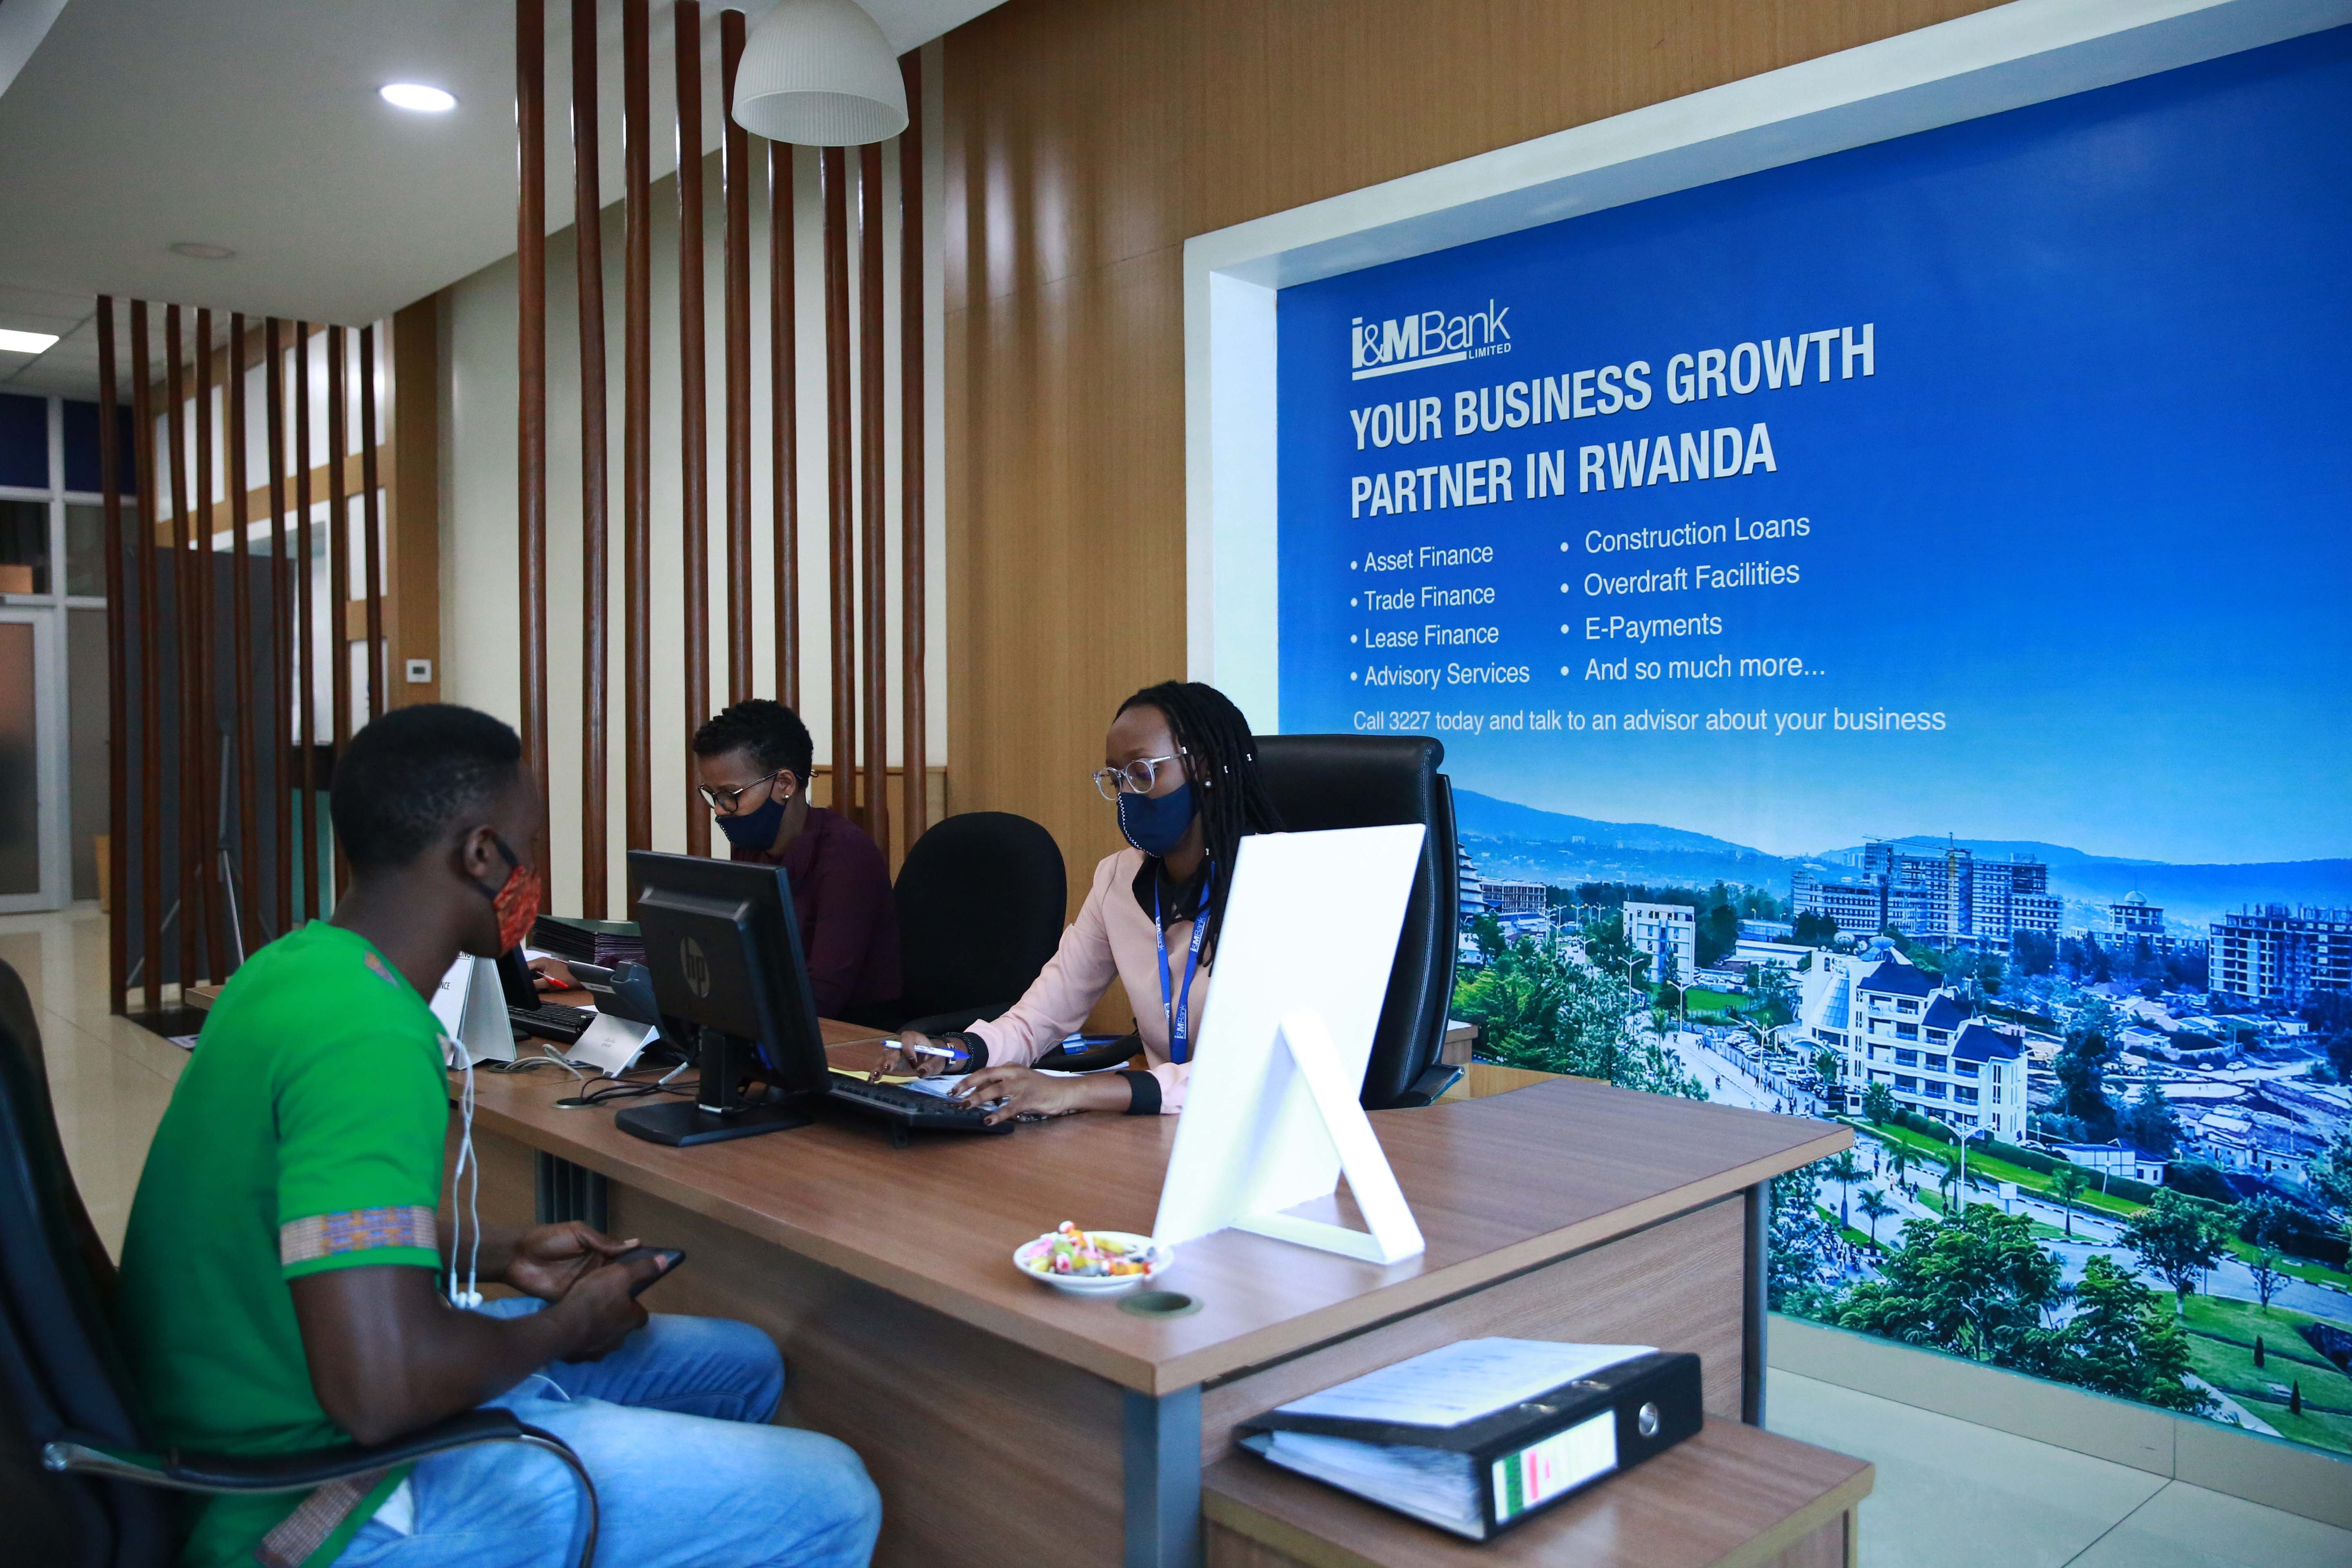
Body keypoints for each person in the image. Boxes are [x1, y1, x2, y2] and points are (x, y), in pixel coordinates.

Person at [116, 704, 880, 1568]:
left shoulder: (292, 970)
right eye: (530, 845)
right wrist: (566, 1326)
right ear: (482, 854)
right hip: (316, 1502)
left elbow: (301, 1231)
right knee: (832, 1495)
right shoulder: (367, 1037)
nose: (533, 871)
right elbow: (383, 1391)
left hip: (272, 1402)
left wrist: (500, 1250)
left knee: (741, 1363)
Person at [875, 680, 1281, 1122]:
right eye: (1116, 777)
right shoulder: (1118, 879)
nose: (1127, 793)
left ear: (1204, 767)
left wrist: (1074, 1092)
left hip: (1259, 1129)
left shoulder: (1281, 884)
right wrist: (958, 1051)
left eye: (1143, 772)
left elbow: (1252, 1071)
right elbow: (1041, 1018)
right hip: (1165, 1130)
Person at [691, 698, 900, 1022]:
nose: (720, 810)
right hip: (774, 1023)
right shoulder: (752, 847)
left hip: (852, 1038)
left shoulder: (847, 856)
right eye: (715, 796)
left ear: (785, 785)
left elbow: (822, 996)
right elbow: (723, 950)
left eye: (732, 795)